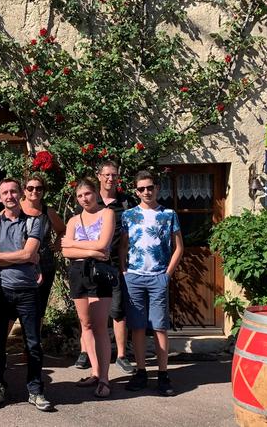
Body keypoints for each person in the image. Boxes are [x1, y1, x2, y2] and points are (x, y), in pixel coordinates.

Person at [0, 178, 53, 412]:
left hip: (28, 291)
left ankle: (35, 390)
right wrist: (22, 255)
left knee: (33, 344)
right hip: (1, 290)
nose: (10, 196)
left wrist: (5, 256)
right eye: (5, 193)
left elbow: (29, 253)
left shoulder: (34, 222)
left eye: (13, 191)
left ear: (20, 193)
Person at [119, 170, 184, 396]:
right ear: (136, 191)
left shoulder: (168, 214)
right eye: (141, 189)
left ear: (157, 188)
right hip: (134, 277)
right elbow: (123, 246)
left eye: (150, 187)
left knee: (159, 326)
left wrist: (167, 274)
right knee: (137, 327)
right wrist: (124, 271)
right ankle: (141, 372)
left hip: (158, 277)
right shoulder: (128, 215)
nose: (146, 192)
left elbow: (179, 247)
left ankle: (163, 374)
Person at [75, 161, 134, 374]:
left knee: (118, 310)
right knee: (87, 313)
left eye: (114, 175)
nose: (110, 178)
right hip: (89, 265)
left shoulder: (125, 202)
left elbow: (128, 235)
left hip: (114, 264)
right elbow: (77, 229)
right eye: (107, 174)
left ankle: (121, 355)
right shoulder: (89, 198)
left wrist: (125, 263)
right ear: (99, 176)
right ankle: (85, 351)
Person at [61, 178, 115, 398]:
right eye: (80, 196)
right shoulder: (74, 220)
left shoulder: (107, 214)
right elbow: (65, 251)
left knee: (100, 325)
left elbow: (103, 244)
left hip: (99, 274)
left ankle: (104, 379)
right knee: (86, 324)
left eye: (88, 194)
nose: (84, 199)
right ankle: (94, 372)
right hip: (78, 273)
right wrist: (92, 251)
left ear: (96, 193)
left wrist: (75, 244)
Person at [20, 174, 65, 323]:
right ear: (24, 190)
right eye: (30, 188)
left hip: (45, 266)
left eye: (39, 188)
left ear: (43, 191)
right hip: (21, 266)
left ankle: (35, 337)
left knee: (39, 308)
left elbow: (62, 230)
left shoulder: (48, 212)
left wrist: (57, 245)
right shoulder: (15, 209)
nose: (34, 191)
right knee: (17, 308)